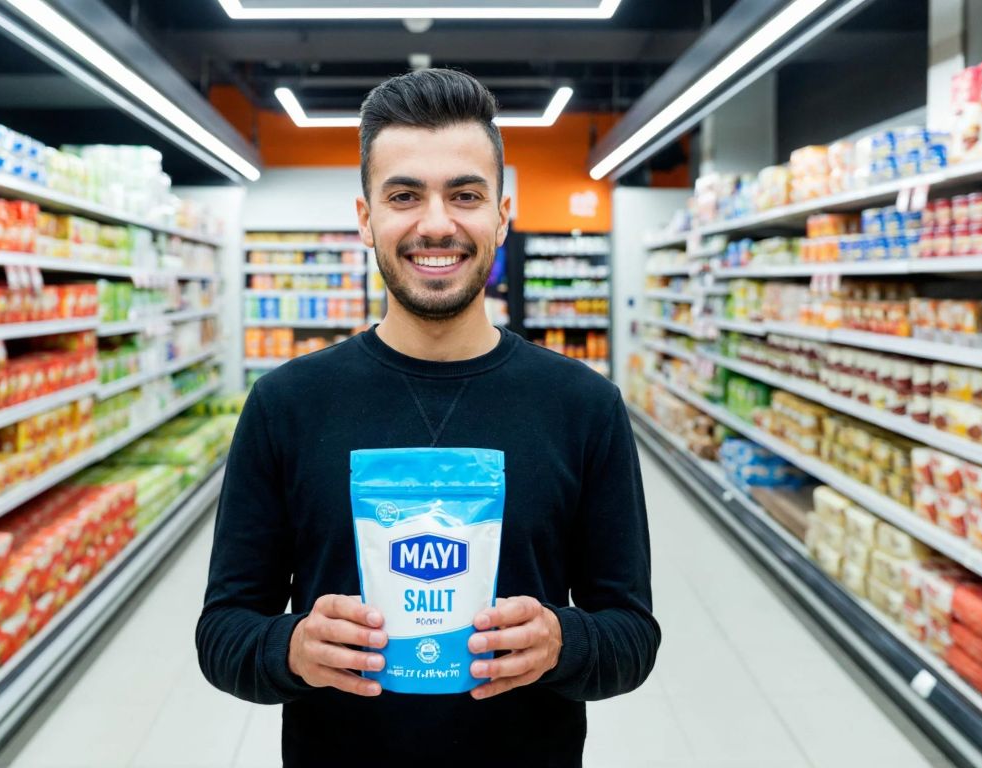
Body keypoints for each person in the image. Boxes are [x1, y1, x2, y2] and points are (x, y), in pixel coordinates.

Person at [196, 68, 659, 768]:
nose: (436, 223)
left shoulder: (582, 405)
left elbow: (632, 635)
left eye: (465, 195)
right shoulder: (287, 404)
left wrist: (565, 641)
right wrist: (290, 647)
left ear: (502, 215)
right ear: (366, 219)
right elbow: (223, 633)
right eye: (404, 195)